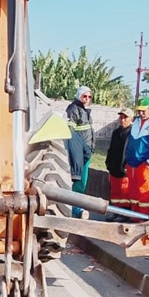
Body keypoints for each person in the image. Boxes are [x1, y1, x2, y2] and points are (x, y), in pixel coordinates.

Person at [124, 97, 149, 220]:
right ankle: (134, 218)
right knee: (133, 192)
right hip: (132, 162)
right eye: (139, 110)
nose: (141, 113)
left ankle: (143, 219)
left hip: (146, 164)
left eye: (143, 110)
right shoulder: (137, 122)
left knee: (145, 193)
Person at [66, 86, 94, 218]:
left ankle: (77, 208)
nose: (87, 99)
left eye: (89, 97)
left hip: (87, 152)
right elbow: (70, 133)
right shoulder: (73, 109)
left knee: (82, 183)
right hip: (78, 153)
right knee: (77, 183)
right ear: (79, 96)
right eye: (84, 96)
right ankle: (74, 210)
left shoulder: (86, 111)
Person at [105, 107, 134, 215]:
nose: (122, 120)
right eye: (121, 117)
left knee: (124, 193)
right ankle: (116, 213)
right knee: (115, 193)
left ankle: (124, 214)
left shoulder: (132, 133)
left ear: (131, 119)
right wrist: (108, 163)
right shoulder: (116, 132)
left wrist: (127, 165)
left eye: (125, 117)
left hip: (125, 169)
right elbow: (111, 149)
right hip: (114, 168)